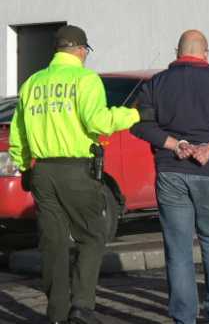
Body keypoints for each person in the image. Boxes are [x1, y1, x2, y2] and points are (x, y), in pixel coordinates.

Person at [9, 25, 149, 324]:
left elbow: (18, 134)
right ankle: (82, 307)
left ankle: (57, 314)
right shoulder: (85, 79)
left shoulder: (32, 83)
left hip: (42, 172)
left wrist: (23, 167)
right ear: (82, 50)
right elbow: (98, 122)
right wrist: (134, 114)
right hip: (75, 169)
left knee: (53, 245)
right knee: (92, 235)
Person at [130, 30, 209, 324]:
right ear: (207, 52)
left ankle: (184, 317)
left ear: (176, 52)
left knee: (178, 248)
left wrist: (173, 144)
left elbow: (138, 125)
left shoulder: (156, 84)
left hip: (171, 170)